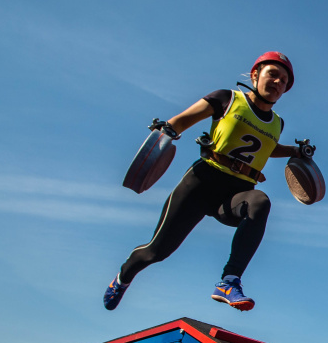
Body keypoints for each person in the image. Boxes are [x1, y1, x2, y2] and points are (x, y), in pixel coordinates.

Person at [103, 51, 305, 312]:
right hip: (201, 183)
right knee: (156, 252)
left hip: (236, 194)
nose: (278, 83)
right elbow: (181, 121)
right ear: (255, 75)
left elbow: (268, 146)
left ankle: (229, 281)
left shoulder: (277, 123)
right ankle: (123, 276)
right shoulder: (228, 99)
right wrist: (165, 134)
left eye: (284, 81)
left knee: (260, 202)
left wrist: (294, 151)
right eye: (273, 75)